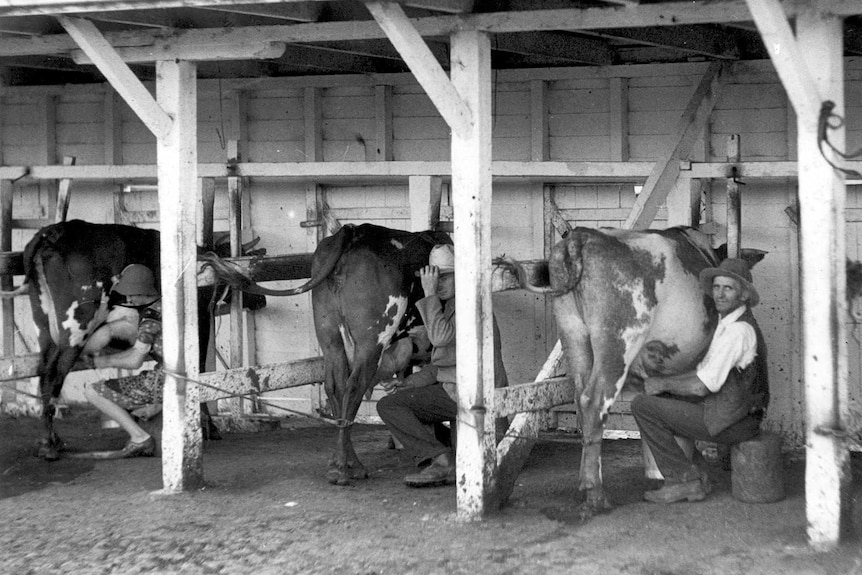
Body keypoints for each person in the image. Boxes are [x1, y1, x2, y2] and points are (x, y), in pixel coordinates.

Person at [631, 258, 769, 503]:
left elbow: (701, 385)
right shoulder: (727, 323)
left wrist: (662, 384)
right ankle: (698, 474)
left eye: (728, 288)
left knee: (642, 406)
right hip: (730, 412)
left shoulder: (739, 331)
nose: (720, 294)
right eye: (716, 287)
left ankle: (683, 481)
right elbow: (703, 372)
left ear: (744, 295)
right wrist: (666, 382)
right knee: (663, 399)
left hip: (736, 422)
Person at [376, 244, 508, 487]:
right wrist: (407, 383)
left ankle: (443, 460)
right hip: (460, 389)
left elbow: (439, 338)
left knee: (390, 407)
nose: (440, 284)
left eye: (446, 277)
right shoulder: (451, 306)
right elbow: (441, 366)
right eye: (436, 279)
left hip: (474, 393)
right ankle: (444, 453)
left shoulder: (469, 306)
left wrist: (429, 294)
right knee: (398, 400)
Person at [81, 264, 164, 458]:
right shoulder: (166, 304)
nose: (129, 298)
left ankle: (140, 437)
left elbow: (135, 360)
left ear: (138, 293)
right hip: (183, 373)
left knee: (92, 391)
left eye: (130, 294)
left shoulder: (149, 320)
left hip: (165, 380)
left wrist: (105, 361)